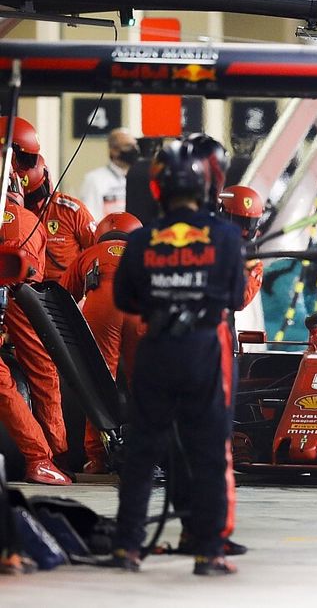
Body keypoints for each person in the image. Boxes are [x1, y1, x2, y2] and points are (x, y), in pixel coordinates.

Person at [110, 139, 244, 575]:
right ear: (206, 185)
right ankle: (208, 552)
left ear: (158, 188)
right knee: (207, 450)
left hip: (155, 352)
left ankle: (126, 547)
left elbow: (125, 301)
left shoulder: (141, 240)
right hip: (203, 351)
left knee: (144, 452)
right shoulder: (224, 236)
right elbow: (236, 295)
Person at [0, 172, 71, 485]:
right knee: (43, 372)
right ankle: (53, 455)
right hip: (23, 295)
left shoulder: (63, 212)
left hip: (14, 294)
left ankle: (44, 455)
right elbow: (31, 273)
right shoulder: (34, 222)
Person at [60, 211, 144, 474]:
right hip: (139, 308)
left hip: (101, 307)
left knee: (98, 383)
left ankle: (97, 458)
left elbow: (63, 296)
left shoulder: (89, 254)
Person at [19, 154, 97, 281]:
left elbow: (97, 249)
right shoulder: (10, 214)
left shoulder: (72, 210)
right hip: (23, 288)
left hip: (65, 289)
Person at [218, 185, 265, 309]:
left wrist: (247, 270)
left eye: (250, 223)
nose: (244, 230)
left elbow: (241, 301)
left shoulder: (253, 262)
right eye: (239, 222)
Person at [79, 129, 139, 221]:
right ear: (114, 150)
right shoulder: (95, 179)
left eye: (135, 145)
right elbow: (90, 218)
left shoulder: (140, 178)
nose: (134, 150)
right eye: (128, 146)